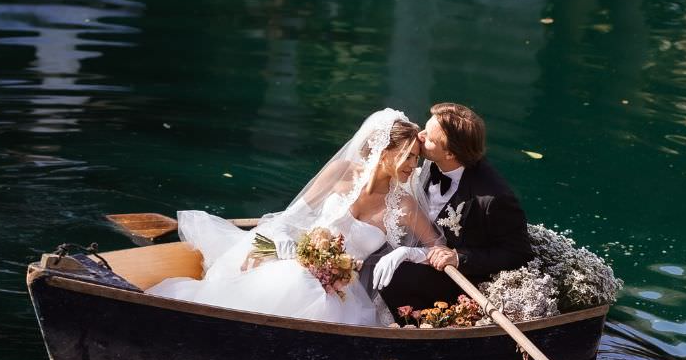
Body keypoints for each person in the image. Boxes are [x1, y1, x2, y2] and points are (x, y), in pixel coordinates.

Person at [147, 110, 440, 326]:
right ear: (384, 151)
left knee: (305, 288)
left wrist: (405, 252)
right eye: (409, 156)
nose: (414, 166)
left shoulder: (405, 205)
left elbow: (438, 248)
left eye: (417, 158)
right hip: (295, 258)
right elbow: (291, 217)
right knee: (292, 277)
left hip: (339, 288)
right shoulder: (341, 171)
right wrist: (285, 241)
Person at [375, 101, 532, 314]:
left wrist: (459, 257)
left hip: (460, 278)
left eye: (429, 138)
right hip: (424, 252)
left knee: (395, 275)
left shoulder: (494, 198)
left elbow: (519, 253)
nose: (419, 136)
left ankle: (414, 330)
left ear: (449, 154)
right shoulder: (433, 162)